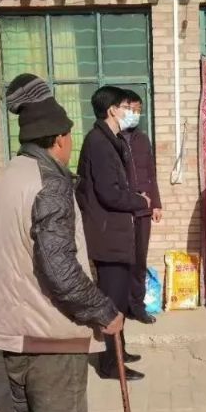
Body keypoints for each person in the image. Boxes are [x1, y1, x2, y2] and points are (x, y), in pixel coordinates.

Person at [0, 73, 124, 412]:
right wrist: (103, 310)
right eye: (69, 137)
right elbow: (59, 269)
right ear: (60, 139)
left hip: (11, 327)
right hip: (47, 332)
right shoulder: (51, 183)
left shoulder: (9, 176)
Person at [76, 85, 151, 381]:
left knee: (117, 298)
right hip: (108, 236)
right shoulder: (99, 142)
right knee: (112, 301)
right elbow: (109, 193)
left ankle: (119, 350)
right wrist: (139, 200)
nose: (131, 112)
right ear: (112, 110)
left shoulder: (110, 140)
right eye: (126, 107)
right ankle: (110, 364)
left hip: (115, 233)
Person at [120, 89, 163, 324]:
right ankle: (120, 305)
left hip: (143, 209)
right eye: (130, 109)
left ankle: (137, 306)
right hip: (120, 209)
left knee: (139, 258)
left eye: (138, 110)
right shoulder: (112, 139)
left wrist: (156, 203)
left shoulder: (142, 139)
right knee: (121, 259)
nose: (134, 114)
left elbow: (150, 173)